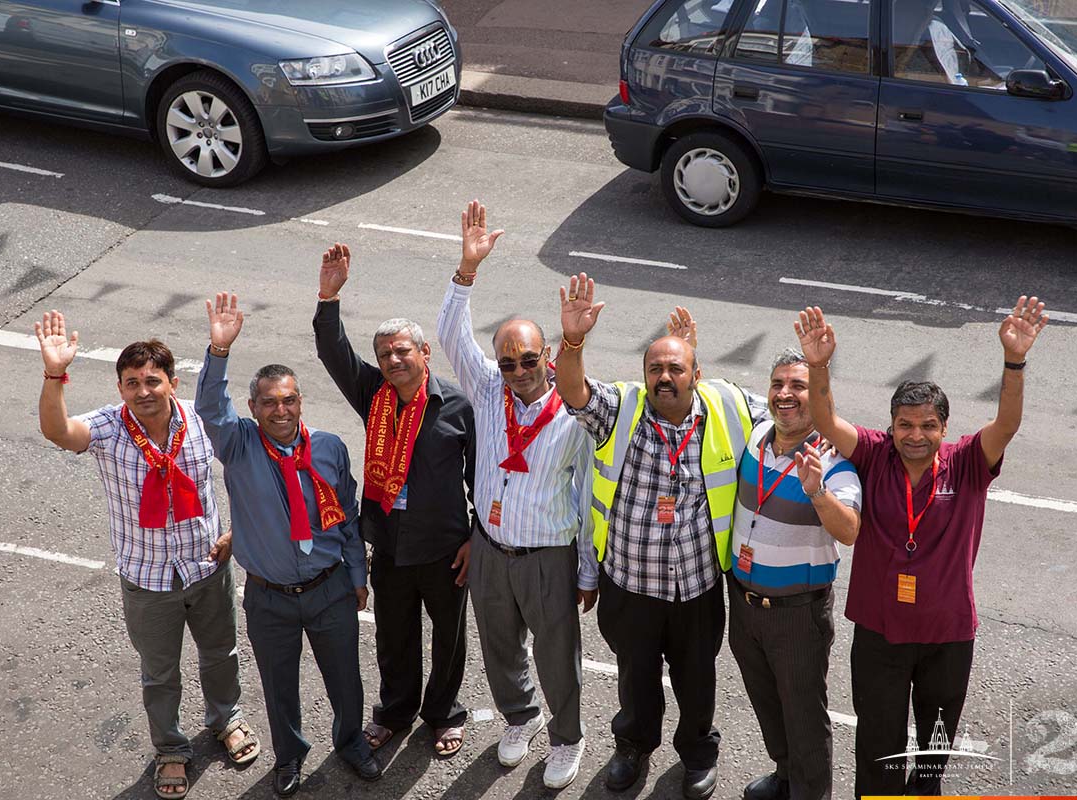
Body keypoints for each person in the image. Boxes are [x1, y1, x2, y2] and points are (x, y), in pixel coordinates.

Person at [794, 297, 1048, 798]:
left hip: (947, 634)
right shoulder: (872, 453)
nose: (916, 435)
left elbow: (1008, 424)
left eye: (928, 425)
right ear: (891, 426)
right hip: (880, 633)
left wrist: (1014, 361)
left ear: (944, 428)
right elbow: (825, 420)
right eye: (905, 425)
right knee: (877, 747)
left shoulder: (970, 462)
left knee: (933, 751)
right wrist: (818, 365)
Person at [553, 274, 769, 800]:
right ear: (644, 375)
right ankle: (632, 748)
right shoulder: (621, 410)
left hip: (696, 588)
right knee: (637, 680)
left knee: (697, 682)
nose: (664, 376)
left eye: (676, 367)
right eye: (655, 368)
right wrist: (573, 340)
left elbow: (791, 415)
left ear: (698, 373)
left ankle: (698, 754)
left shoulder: (729, 407)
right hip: (629, 586)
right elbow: (572, 390)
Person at [34, 312, 258, 800]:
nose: (143, 391)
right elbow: (58, 431)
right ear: (120, 388)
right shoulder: (110, 428)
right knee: (160, 674)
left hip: (207, 566)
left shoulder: (201, 420)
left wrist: (238, 533)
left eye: (152, 380)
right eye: (131, 383)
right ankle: (171, 749)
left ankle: (227, 719)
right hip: (147, 579)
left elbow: (251, 472)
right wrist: (54, 375)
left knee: (222, 654)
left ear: (172, 383)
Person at [434, 200, 596, 789]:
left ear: (547, 357)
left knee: (558, 658)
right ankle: (519, 719)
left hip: (548, 555)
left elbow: (585, 495)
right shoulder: (486, 391)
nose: (519, 370)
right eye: (508, 362)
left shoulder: (577, 410)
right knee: (500, 647)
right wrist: (467, 270)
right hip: (492, 548)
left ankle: (567, 737)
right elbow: (451, 334)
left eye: (529, 359)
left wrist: (586, 570)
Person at [194, 293, 379, 797]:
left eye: (289, 399)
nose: (281, 409)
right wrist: (219, 351)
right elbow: (209, 408)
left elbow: (347, 519)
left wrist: (357, 577)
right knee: (279, 688)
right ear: (253, 408)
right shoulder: (239, 443)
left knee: (345, 678)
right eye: (269, 402)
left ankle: (350, 743)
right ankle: (290, 755)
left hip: (329, 588)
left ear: (301, 401)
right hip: (269, 596)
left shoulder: (329, 448)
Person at [313, 245, 475, 759]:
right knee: (393, 636)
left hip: (446, 547)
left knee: (448, 639)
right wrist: (329, 297)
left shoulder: (457, 405)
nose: (393, 361)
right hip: (389, 544)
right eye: (385, 355)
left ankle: (444, 714)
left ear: (424, 354)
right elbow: (334, 352)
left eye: (403, 351)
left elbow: (484, 478)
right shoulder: (373, 394)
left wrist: (475, 538)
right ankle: (395, 712)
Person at [728, 348, 862, 800]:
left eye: (798, 386)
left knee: (804, 715)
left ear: (817, 396)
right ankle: (785, 776)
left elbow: (849, 531)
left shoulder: (834, 460)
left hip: (796, 615)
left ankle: (809, 793)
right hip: (744, 604)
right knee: (767, 703)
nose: (786, 395)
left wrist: (817, 492)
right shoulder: (757, 434)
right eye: (778, 384)